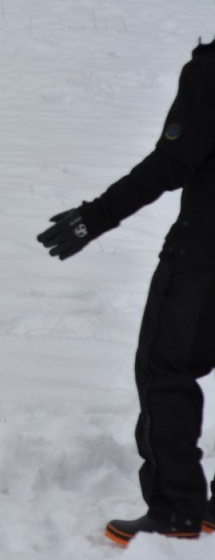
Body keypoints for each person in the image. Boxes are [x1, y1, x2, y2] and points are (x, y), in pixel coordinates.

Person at [37, 37, 215, 546]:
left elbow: (174, 161)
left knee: (165, 368)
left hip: (205, 256)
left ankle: (176, 509)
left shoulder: (211, 72)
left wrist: (96, 216)